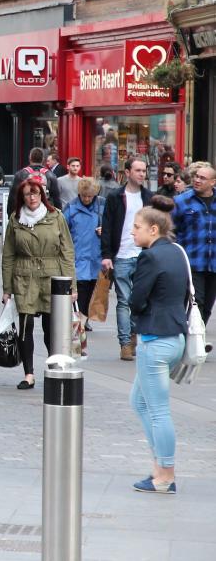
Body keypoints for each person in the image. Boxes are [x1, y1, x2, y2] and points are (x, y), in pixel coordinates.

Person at [126, 198, 190, 494]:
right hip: (175, 336)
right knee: (139, 402)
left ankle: (165, 474)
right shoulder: (177, 251)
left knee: (158, 410)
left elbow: (136, 298)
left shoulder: (149, 257)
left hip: (155, 339)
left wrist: (138, 313)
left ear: (153, 229)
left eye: (136, 228)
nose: (132, 233)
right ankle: (159, 467)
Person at [2, 176, 76, 388]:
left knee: (51, 328)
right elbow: (8, 255)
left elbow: (67, 252)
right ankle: (29, 374)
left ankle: (54, 370)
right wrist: (7, 289)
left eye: (35, 193)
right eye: (27, 194)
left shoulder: (55, 216)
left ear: (42, 194)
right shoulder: (16, 219)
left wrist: (72, 286)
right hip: (24, 277)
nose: (32, 197)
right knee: (25, 327)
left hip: (51, 276)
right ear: (21, 197)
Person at [102, 157, 149, 360]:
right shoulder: (115, 196)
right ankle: (125, 344)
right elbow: (108, 226)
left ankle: (133, 335)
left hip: (143, 255)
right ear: (127, 172)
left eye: (144, 171)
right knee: (123, 301)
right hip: (121, 255)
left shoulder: (148, 197)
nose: (141, 174)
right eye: (138, 170)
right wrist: (106, 255)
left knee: (140, 300)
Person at [63, 177, 105, 354]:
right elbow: (63, 231)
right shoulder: (71, 208)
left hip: (95, 260)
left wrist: (106, 230)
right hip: (77, 261)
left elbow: (113, 229)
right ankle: (77, 337)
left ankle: (79, 333)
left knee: (88, 300)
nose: (87, 199)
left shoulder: (102, 207)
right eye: (84, 196)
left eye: (90, 196)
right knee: (77, 300)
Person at [171, 161, 216, 323]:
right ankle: (195, 343)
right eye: (196, 177)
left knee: (207, 307)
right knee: (197, 303)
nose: (197, 180)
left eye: (203, 178)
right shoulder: (181, 201)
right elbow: (170, 231)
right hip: (192, 264)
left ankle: (195, 339)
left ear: (213, 182)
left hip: (213, 264)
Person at [8, 147, 62, 213]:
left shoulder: (20, 175)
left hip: (25, 214)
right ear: (43, 159)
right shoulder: (51, 175)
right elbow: (56, 199)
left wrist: (11, 215)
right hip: (45, 214)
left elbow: (13, 198)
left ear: (30, 158)